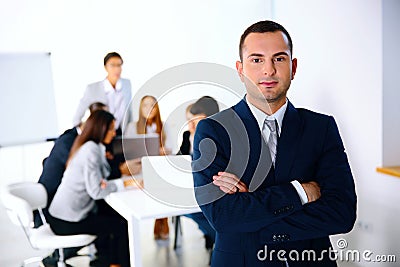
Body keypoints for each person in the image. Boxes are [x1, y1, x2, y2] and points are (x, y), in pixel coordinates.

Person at [192, 20, 357, 267]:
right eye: (256, 60)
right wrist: (301, 191)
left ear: (294, 66)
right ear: (240, 69)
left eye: (279, 59)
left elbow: (341, 214)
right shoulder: (214, 131)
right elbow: (224, 217)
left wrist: (251, 211)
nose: (268, 71)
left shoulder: (321, 128)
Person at [48, 110, 130, 267]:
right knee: (119, 225)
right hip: (66, 220)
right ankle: (115, 264)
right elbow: (97, 191)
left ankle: (107, 262)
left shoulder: (91, 146)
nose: (114, 133)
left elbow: (101, 179)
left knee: (114, 217)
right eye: (111, 129)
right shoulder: (91, 149)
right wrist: (122, 184)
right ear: (101, 128)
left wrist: (104, 182)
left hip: (62, 214)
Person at [125, 95, 172, 240]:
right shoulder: (133, 127)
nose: (149, 108)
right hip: (140, 168)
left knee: (163, 181)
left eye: (153, 105)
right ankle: (161, 219)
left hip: (159, 168)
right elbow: (127, 151)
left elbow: (171, 149)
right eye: (145, 105)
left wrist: (163, 151)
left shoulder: (164, 126)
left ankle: (161, 219)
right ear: (140, 108)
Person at [178, 97, 219, 250]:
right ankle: (213, 236)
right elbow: (178, 159)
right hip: (190, 187)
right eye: (189, 119)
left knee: (197, 212)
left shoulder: (216, 138)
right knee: (187, 210)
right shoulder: (188, 136)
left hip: (210, 190)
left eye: (195, 119)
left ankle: (216, 238)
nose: (191, 124)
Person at [72, 52, 132, 135]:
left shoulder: (126, 84)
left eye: (119, 65)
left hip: (120, 133)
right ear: (105, 67)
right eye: (113, 65)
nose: (117, 69)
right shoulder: (92, 89)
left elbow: (129, 111)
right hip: (101, 135)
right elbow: (76, 119)